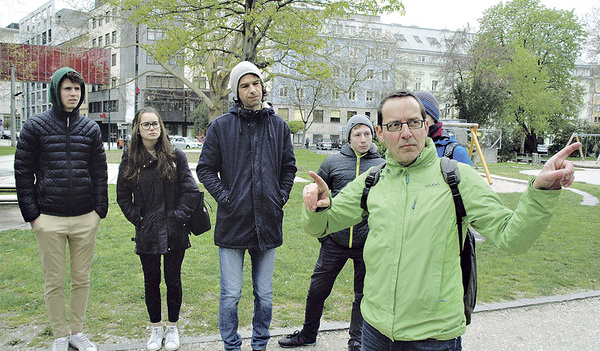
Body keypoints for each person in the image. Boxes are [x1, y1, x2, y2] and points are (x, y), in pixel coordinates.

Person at [301, 90, 580, 351]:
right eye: (395, 125)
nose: (406, 133)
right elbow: (320, 226)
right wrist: (318, 207)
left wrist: (541, 191)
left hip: (434, 337)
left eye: (414, 122)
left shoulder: (456, 177)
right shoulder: (373, 181)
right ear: (381, 134)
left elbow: (512, 237)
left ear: (427, 125)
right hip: (375, 331)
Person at [196, 61, 297, 351]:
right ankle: (231, 345)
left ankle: (260, 344)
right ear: (236, 93)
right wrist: (226, 198)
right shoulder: (220, 127)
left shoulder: (278, 126)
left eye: (256, 83)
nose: (252, 89)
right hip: (233, 223)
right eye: (245, 85)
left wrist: (280, 197)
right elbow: (205, 169)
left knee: (264, 293)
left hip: (267, 221)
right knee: (231, 294)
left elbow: (288, 168)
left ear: (262, 87)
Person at [14, 67, 108, 351]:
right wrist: (33, 216)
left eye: (77, 89)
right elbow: (23, 172)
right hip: (49, 219)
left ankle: (77, 332)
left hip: (84, 218)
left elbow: (100, 172)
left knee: (82, 280)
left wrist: (98, 212)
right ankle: (58, 336)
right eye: (68, 88)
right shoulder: (35, 126)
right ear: (57, 91)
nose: (73, 94)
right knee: (54, 282)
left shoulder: (90, 128)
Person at [279, 115, 384, 351]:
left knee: (363, 295)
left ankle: (356, 339)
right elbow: (317, 198)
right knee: (317, 289)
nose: (363, 139)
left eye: (367, 134)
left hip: (366, 243)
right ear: (348, 137)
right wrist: (324, 236)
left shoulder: (382, 165)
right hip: (334, 242)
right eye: (357, 134)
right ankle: (308, 334)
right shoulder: (332, 163)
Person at [117, 107, 200, 351]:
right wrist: (138, 219)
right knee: (151, 281)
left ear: (161, 127)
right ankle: (156, 328)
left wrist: (178, 217)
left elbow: (191, 191)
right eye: (146, 124)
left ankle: (172, 327)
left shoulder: (176, 156)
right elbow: (122, 196)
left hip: (174, 229)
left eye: (156, 123)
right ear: (138, 128)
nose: (152, 128)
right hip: (148, 230)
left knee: (173, 280)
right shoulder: (131, 157)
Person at [414, 91, 471, 165]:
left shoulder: (455, 152)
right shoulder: (405, 150)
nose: (415, 120)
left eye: (422, 113)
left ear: (433, 117)